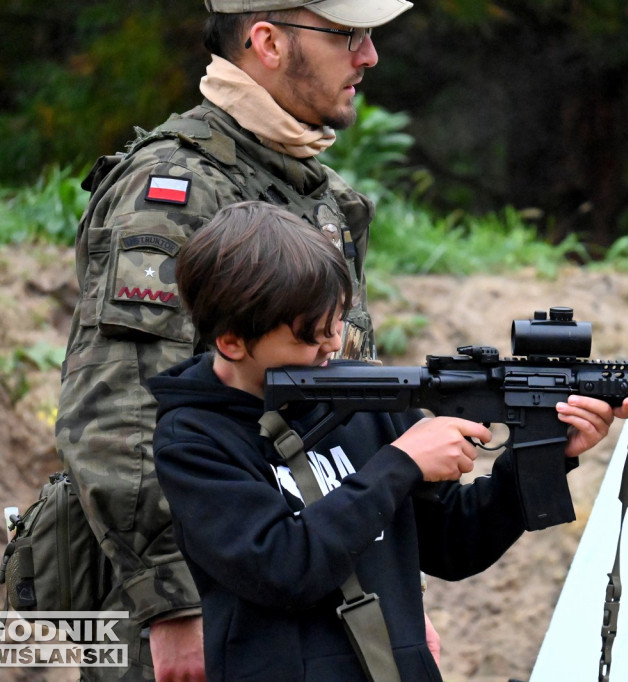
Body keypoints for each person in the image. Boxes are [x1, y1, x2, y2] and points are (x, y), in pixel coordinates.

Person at [54, 1, 414, 678]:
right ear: (268, 42)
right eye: (348, 36)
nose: (368, 57)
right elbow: (117, 411)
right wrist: (172, 605)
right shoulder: (174, 190)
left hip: (307, 604)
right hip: (209, 611)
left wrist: (389, 602)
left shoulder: (318, 193)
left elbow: (338, 422)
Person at [148, 201, 628, 681]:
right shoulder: (193, 439)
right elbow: (282, 567)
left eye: (336, 322)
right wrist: (401, 463)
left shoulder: (360, 402)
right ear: (232, 341)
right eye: (308, 336)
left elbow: (453, 546)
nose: (333, 344)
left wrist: (549, 455)